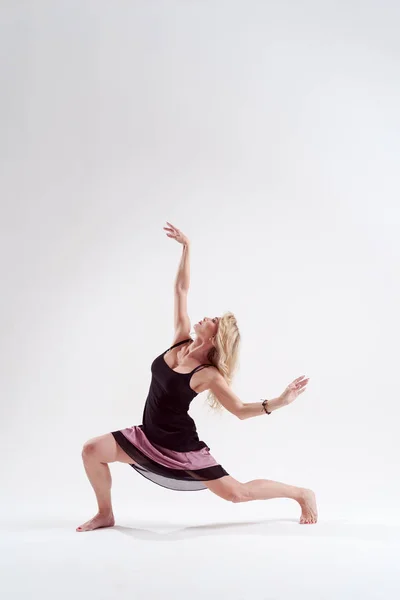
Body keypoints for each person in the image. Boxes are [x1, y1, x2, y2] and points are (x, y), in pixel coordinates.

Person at [76, 222, 317, 532]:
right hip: (147, 436)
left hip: (182, 447)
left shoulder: (208, 375)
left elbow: (241, 410)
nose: (206, 317)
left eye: (213, 320)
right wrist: (187, 247)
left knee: (238, 493)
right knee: (92, 450)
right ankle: (105, 514)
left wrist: (281, 401)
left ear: (216, 338)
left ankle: (300, 493)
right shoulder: (179, 340)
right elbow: (181, 289)